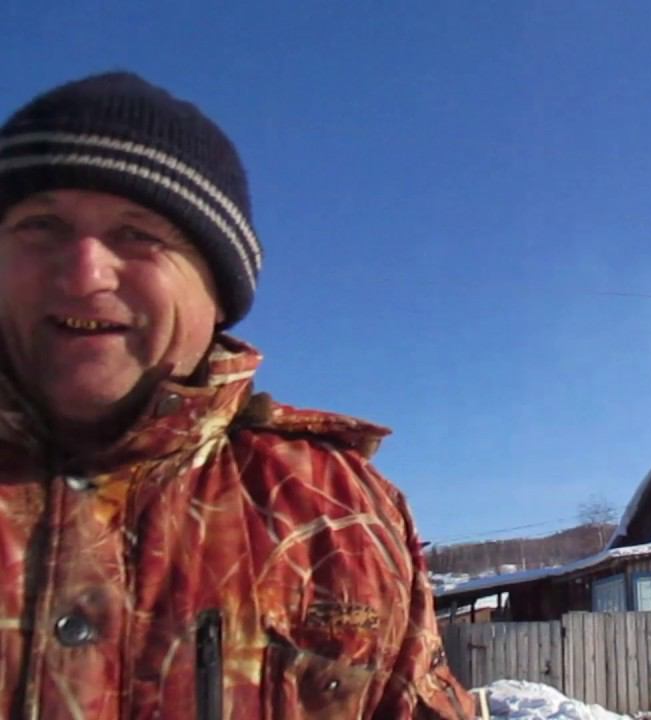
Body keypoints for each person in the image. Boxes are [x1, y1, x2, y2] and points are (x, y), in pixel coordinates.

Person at [0, 73, 474, 718]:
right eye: (42, 225)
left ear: (219, 291)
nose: (84, 273)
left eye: (139, 234)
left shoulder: (339, 511)